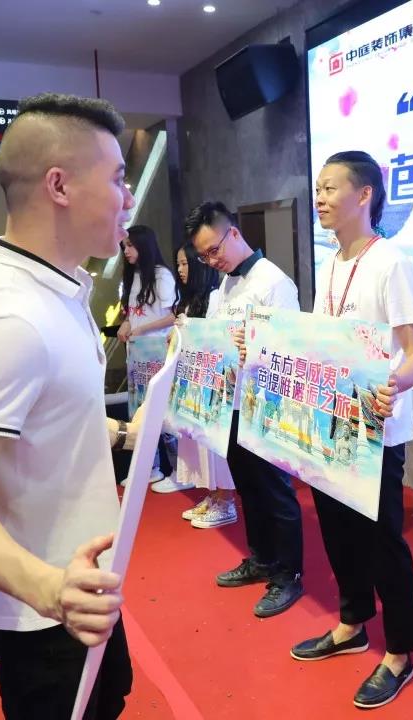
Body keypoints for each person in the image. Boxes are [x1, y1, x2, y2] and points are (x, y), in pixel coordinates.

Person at [0, 92, 139, 719]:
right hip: (45, 612)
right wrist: (50, 589)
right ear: (59, 185)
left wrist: (129, 432)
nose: (127, 198)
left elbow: (48, 422)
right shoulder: (11, 315)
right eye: (117, 179)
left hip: (82, 585)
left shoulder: (60, 290)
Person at [290, 151, 413, 709]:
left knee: (382, 543)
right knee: (337, 533)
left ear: (365, 194)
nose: (320, 198)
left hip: (375, 430)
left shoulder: (390, 263)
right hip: (331, 422)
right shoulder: (330, 265)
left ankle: (399, 653)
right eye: (319, 188)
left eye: (330, 188)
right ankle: (352, 625)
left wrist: (390, 384)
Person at [187, 200, 304, 617]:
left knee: (275, 491)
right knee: (249, 488)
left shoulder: (274, 282)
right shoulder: (225, 286)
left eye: (214, 250)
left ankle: (288, 574)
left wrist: (253, 347)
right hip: (232, 403)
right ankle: (261, 559)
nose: (211, 261)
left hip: (264, 405)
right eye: (204, 256)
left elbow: (291, 349)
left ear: (234, 233)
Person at [172, 241, 238, 529]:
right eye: (178, 264)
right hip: (194, 380)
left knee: (215, 446)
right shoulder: (189, 298)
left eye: (185, 263)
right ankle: (213, 494)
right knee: (200, 445)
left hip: (212, 381)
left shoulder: (214, 296)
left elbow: (214, 336)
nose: (180, 269)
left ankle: (226, 499)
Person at [116, 224, 184, 492]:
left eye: (131, 246)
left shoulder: (161, 275)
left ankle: (178, 470)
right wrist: (127, 325)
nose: (126, 251)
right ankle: (150, 468)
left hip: (157, 351)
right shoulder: (133, 276)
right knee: (139, 411)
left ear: (143, 246)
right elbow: (133, 312)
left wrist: (141, 329)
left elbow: (173, 315)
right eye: (124, 246)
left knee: (163, 410)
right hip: (137, 354)